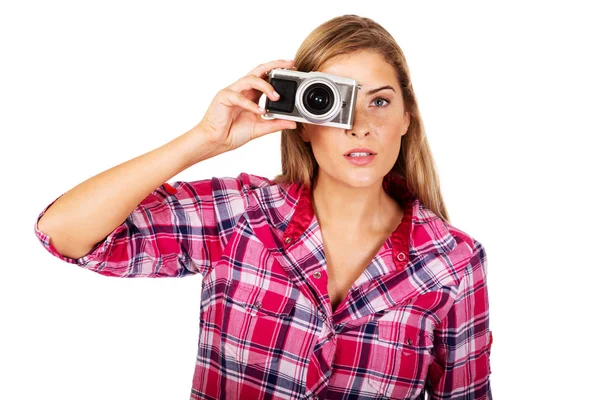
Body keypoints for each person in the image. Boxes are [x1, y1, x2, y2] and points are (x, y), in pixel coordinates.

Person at [34, 14, 492, 400]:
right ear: (304, 121)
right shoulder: (241, 216)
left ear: (407, 117)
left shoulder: (454, 263)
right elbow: (64, 233)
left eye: (380, 101)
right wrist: (202, 140)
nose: (361, 127)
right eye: (334, 102)